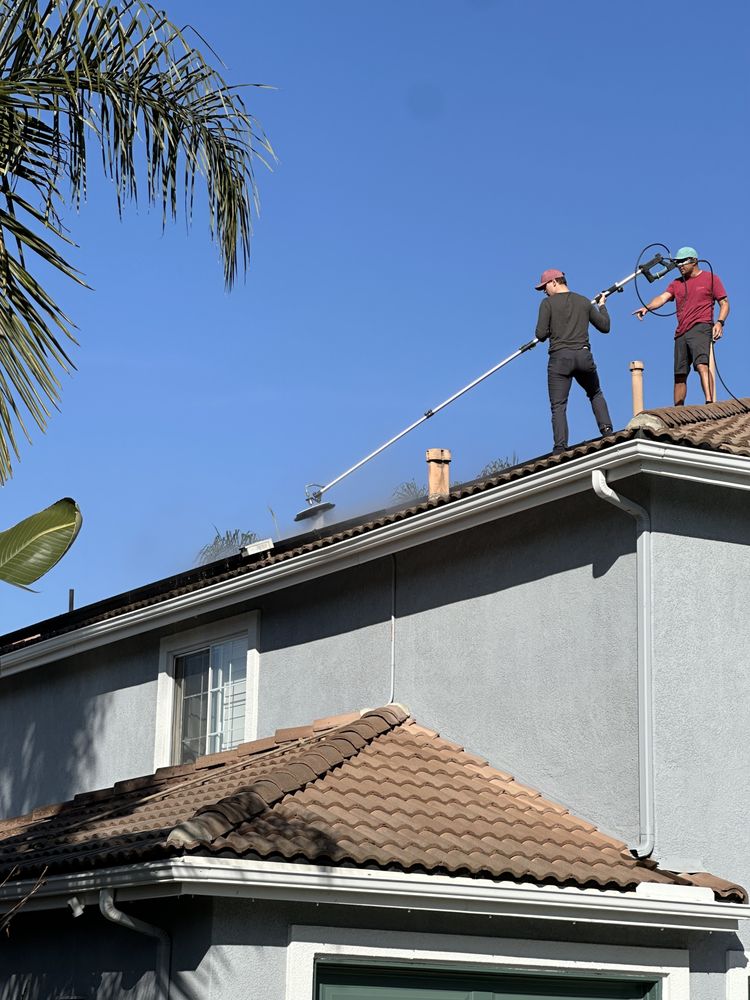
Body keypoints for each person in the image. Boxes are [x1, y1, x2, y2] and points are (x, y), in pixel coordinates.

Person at [633, 246, 729, 405]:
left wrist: (720, 322)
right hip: (681, 332)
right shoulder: (676, 284)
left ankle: (709, 402)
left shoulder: (710, 278)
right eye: (677, 263)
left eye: (683, 262)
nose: (680, 266)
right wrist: (647, 307)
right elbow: (663, 298)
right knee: (680, 374)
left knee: (701, 364)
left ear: (694, 261)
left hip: (701, 325)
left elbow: (724, 303)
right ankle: (678, 409)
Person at [534, 268, 613, 454]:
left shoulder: (547, 303)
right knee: (595, 393)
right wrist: (602, 305)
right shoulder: (584, 302)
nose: (544, 291)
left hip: (560, 359)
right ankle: (607, 431)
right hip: (583, 356)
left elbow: (541, 334)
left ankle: (560, 447)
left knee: (558, 405)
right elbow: (605, 326)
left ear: (554, 282)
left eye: (545, 287)